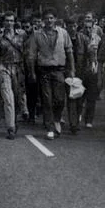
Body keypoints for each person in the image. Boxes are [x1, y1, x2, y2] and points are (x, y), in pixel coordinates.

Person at [26, 8, 75, 141]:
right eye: (46, 18)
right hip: (44, 70)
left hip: (59, 70)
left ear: (55, 19)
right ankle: (50, 128)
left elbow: (69, 51)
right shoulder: (37, 35)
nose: (49, 21)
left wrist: (72, 69)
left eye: (51, 18)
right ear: (43, 20)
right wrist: (32, 72)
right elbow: (31, 55)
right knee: (47, 100)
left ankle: (57, 119)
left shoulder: (63, 33)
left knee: (60, 99)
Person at [0, 12, 26, 139]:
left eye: (11, 20)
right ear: (3, 22)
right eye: (7, 20)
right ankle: (10, 127)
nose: (9, 23)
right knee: (8, 98)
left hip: (19, 68)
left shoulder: (22, 35)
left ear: (14, 22)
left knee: (17, 97)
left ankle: (14, 120)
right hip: (4, 67)